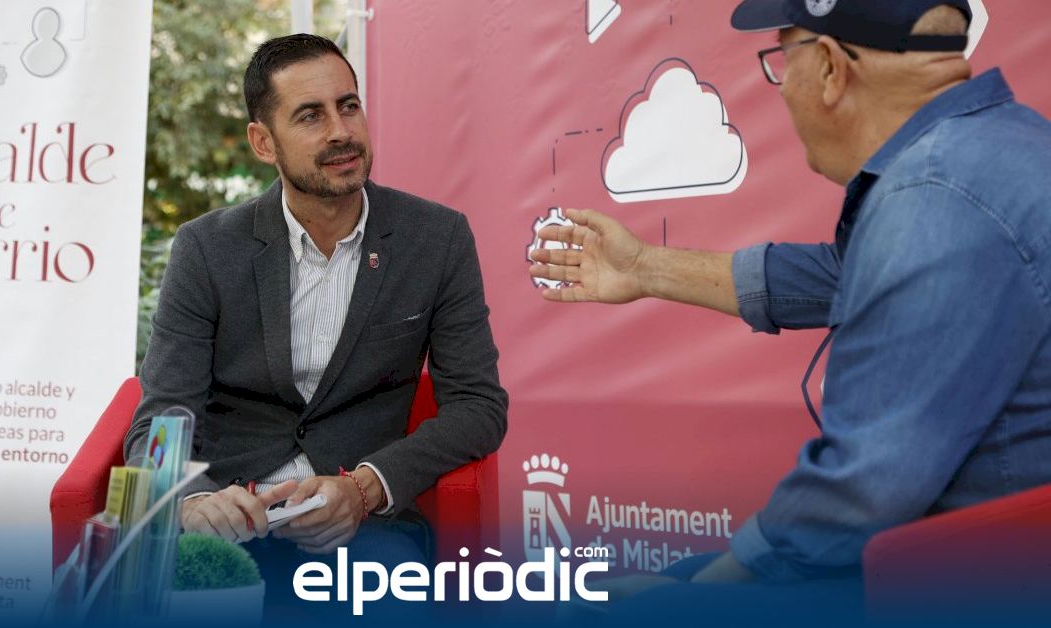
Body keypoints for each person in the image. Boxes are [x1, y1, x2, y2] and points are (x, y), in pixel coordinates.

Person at [531, 0, 1051, 598]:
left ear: (829, 67)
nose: (779, 89)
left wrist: (692, 601)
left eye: (781, 60)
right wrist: (644, 267)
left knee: (621, 601)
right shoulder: (1006, 149)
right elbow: (843, 275)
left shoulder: (935, 198)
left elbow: (862, 490)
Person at [125, 33, 507, 603]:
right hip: (231, 519)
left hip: (365, 530)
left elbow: (478, 405)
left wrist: (365, 488)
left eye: (348, 106)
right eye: (310, 116)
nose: (340, 131)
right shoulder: (206, 248)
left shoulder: (436, 238)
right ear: (263, 141)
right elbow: (161, 417)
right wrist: (192, 502)